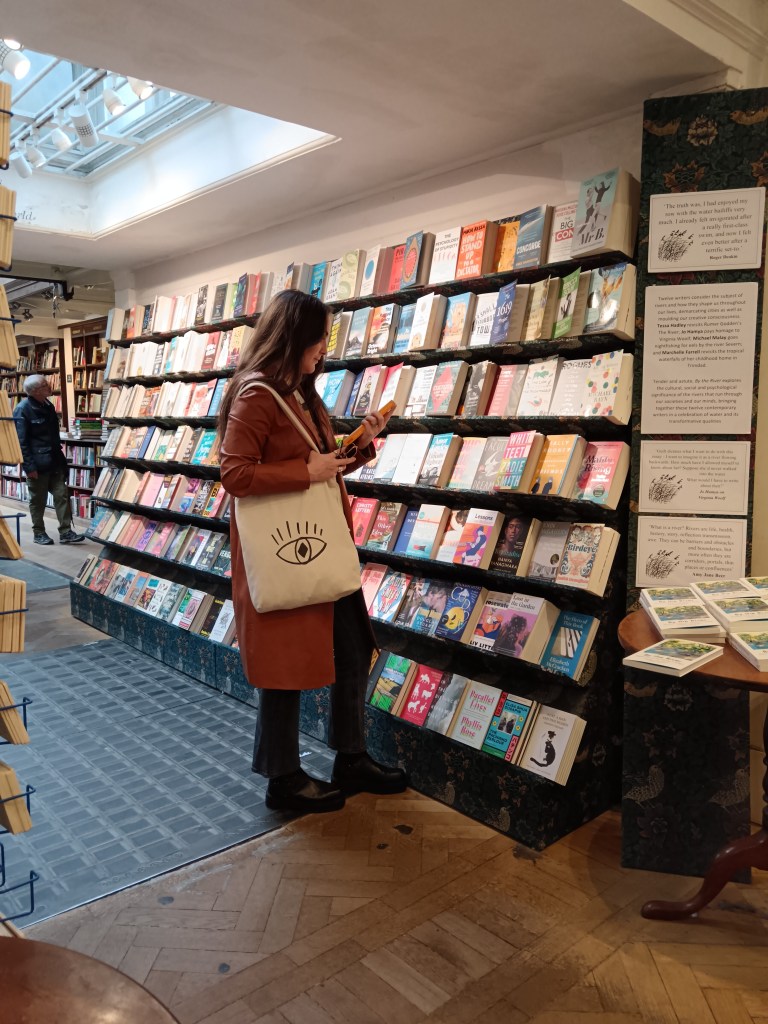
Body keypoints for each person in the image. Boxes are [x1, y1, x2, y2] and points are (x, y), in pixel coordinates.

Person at [218, 290, 408, 814]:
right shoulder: (257, 393)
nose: (325, 348)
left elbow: (323, 463)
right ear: (294, 336)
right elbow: (235, 474)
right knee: (284, 664)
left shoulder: (300, 391)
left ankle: (351, 756)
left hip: (322, 548)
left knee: (354, 648)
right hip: (287, 551)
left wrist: (359, 444)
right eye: (320, 337)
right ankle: (282, 779)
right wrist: (305, 472)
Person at [13, 375, 85, 546]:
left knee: (62, 495)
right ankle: (39, 533)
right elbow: (21, 442)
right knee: (38, 500)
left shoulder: (48, 405)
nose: (50, 386)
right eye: (45, 385)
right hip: (37, 464)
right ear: (35, 391)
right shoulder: (22, 409)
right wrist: (29, 466)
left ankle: (66, 532)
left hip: (54, 460)